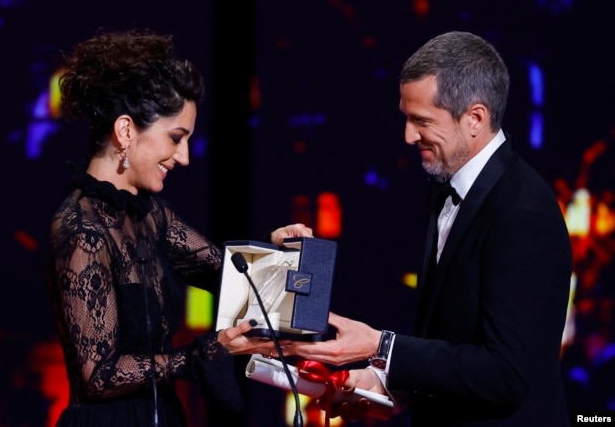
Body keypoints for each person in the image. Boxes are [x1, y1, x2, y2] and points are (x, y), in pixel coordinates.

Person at [286, 31, 573, 427]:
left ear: (475, 118)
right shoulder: (445, 188)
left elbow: (508, 374)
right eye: (407, 117)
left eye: (421, 121)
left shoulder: (523, 212)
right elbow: (451, 342)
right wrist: (383, 386)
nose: (407, 135)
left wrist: (382, 345)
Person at [45, 28, 313, 427]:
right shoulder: (81, 228)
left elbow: (229, 274)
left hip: (164, 416)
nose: (184, 157)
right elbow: (99, 376)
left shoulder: (153, 216)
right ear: (125, 131)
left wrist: (272, 251)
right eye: (176, 138)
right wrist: (200, 354)